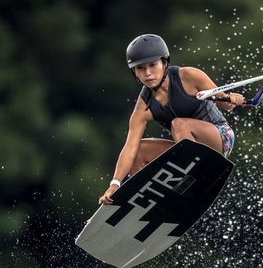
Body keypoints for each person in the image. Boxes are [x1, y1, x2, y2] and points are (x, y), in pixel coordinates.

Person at [99, 34, 245, 205]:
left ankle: (190, 182)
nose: (147, 73)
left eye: (153, 65)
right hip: (185, 150)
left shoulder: (189, 76)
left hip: (220, 138)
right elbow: (130, 147)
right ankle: (142, 201)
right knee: (140, 149)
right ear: (134, 72)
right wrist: (115, 184)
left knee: (178, 123)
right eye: (140, 68)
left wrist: (232, 99)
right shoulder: (143, 108)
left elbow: (226, 104)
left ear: (164, 62)